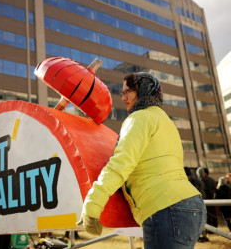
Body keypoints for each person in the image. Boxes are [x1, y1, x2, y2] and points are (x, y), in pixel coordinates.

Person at [77, 72, 207, 249]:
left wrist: (92, 204)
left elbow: (120, 163)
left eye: (127, 92)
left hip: (165, 208)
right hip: (192, 205)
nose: (123, 98)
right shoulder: (165, 121)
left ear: (143, 90)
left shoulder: (139, 118)